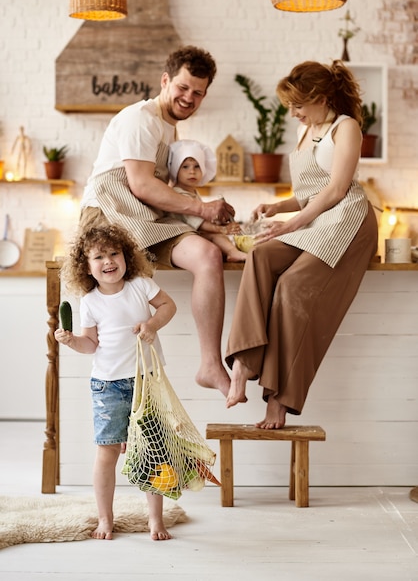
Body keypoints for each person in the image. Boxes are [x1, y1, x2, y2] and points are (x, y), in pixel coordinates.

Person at [225, 60, 378, 429]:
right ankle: (244, 361)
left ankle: (278, 400)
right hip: (316, 218)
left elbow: (338, 190)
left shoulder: (347, 128)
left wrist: (291, 222)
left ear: (321, 98)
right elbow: (309, 193)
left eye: (298, 105)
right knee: (260, 255)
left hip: (349, 221)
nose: (292, 113)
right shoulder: (304, 131)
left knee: (292, 286)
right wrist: (277, 207)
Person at [79, 46, 235, 399]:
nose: (189, 97)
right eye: (182, 87)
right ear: (165, 80)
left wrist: (212, 224)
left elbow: (158, 196)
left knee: (208, 256)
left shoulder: (170, 132)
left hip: (146, 216)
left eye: (198, 92)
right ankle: (120, 390)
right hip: (110, 213)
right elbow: (140, 185)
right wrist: (204, 210)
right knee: (128, 292)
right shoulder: (141, 119)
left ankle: (210, 365)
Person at [54, 224, 177, 541]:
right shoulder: (90, 302)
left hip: (145, 381)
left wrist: (151, 324)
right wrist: (71, 342)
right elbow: (90, 345)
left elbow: (168, 306)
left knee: (153, 450)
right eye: (98, 256)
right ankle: (105, 519)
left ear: (125, 256)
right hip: (108, 385)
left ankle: (155, 520)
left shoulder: (140, 285)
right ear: (86, 266)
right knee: (107, 452)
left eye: (114, 253)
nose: (108, 261)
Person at [167, 139, 247, 262]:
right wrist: (223, 229)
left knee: (219, 238)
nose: (192, 171)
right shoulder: (178, 193)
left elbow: (203, 218)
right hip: (181, 238)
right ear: (176, 169)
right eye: (185, 167)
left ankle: (231, 252)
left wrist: (221, 223)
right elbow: (199, 223)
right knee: (217, 236)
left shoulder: (193, 192)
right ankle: (233, 252)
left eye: (197, 166)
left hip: (193, 234)